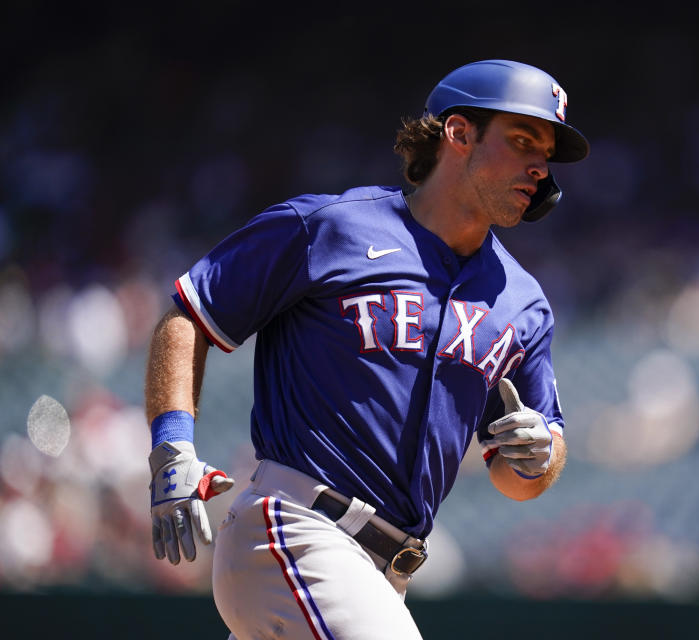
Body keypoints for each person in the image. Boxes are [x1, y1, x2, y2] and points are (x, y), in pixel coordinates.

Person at [144, 59, 589, 640]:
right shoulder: (331, 228)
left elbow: (520, 474)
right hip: (296, 529)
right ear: (458, 133)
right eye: (523, 140)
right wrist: (171, 445)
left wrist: (537, 456)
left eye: (546, 152)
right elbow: (190, 313)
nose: (539, 166)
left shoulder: (522, 302)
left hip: (384, 575)